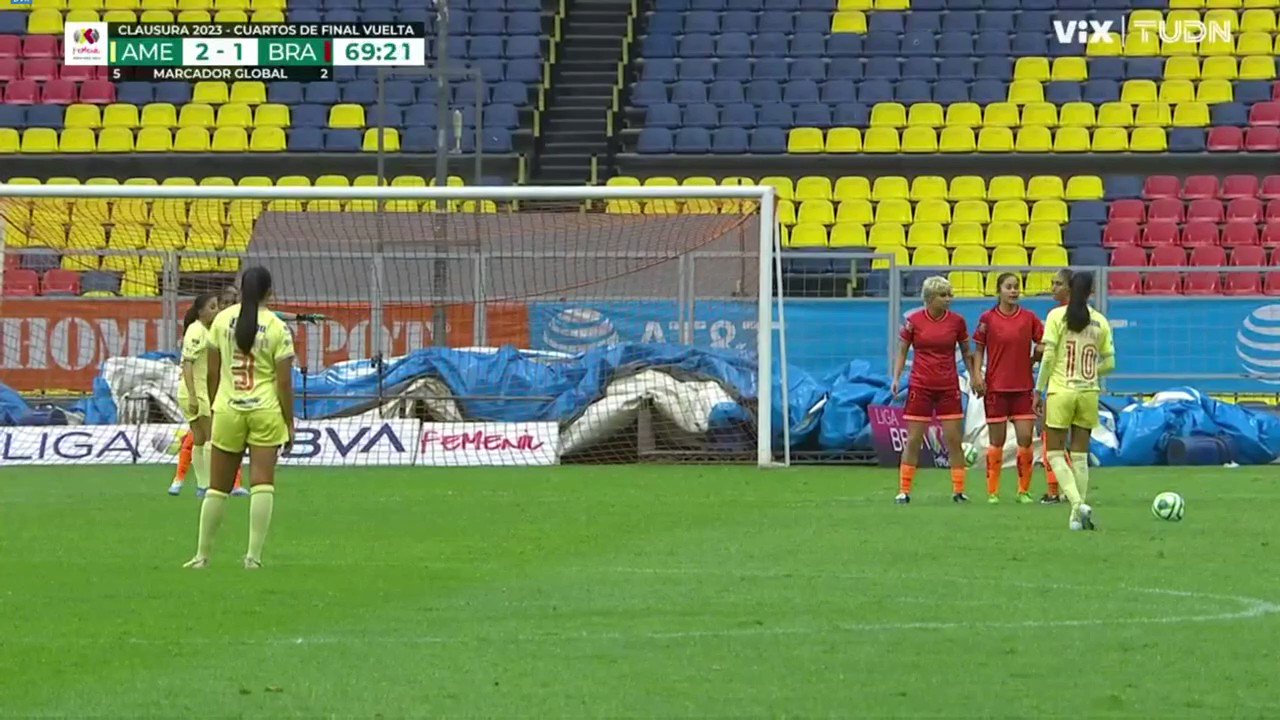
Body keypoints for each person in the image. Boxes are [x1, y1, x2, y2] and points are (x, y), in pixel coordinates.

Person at [185, 267, 295, 569]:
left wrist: (217, 401)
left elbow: (212, 371)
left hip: (228, 410)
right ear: (269, 293)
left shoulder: (221, 320)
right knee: (262, 484)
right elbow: (284, 383)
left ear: (241, 290)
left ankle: (202, 556)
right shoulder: (276, 327)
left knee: (217, 487)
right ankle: (253, 557)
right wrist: (290, 423)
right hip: (265, 410)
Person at [889, 276, 984, 504]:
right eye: (943, 295)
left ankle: (959, 490)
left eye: (950, 294)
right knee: (913, 439)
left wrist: (973, 377)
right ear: (930, 298)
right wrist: (896, 377)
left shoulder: (957, 322)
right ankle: (904, 490)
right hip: (920, 385)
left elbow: (967, 351)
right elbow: (902, 351)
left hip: (948, 386)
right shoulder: (914, 321)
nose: (949, 299)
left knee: (953, 439)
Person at [1034, 272, 1115, 531]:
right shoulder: (1100, 321)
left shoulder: (1057, 316)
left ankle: (1077, 502)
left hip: (1061, 391)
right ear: (1091, 293)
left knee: (1055, 453)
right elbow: (1111, 363)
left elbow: (1047, 358)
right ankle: (1075, 516)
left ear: (1070, 290)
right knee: (1080, 456)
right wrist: (1090, 371)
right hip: (1089, 392)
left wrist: (1039, 389)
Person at [973, 273, 1044, 504]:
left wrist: (1037, 354)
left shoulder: (1029, 318)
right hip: (996, 388)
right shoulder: (988, 318)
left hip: (1023, 387)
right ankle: (992, 492)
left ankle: (1023, 491)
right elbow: (979, 349)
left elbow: (1043, 342)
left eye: (1016, 287)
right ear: (999, 290)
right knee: (997, 441)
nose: (1013, 291)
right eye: (1009, 287)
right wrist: (977, 375)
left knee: (1025, 439)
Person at [169, 294, 246, 498]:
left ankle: (203, 486)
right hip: (196, 391)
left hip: (195, 391)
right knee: (213, 438)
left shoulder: (206, 330)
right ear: (201, 311)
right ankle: (214, 485)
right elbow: (187, 363)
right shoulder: (196, 331)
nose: (216, 310)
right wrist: (194, 396)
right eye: (212, 307)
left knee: (200, 439)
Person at [1037, 268, 1074, 504]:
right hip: (1084, 386)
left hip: (1059, 385)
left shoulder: (1056, 315)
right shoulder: (1090, 315)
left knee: (1051, 439)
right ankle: (1074, 490)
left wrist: (1036, 351)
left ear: (1070, 288)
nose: (1053, 288)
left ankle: (1055, 491)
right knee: (1075, 447)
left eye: (1058, 283)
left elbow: (1049, 353)